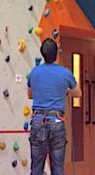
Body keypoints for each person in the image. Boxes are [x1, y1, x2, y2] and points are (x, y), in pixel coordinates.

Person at [27, 38, 82, 175]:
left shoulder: (34, 72)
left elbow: (30, 95)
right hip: (56, 120)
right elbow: (78, 93)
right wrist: (64, 90)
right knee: (57, 168)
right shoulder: (65, 73)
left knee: (36, 167)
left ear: (42, 54)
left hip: (38, 120)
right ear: (57, 54)